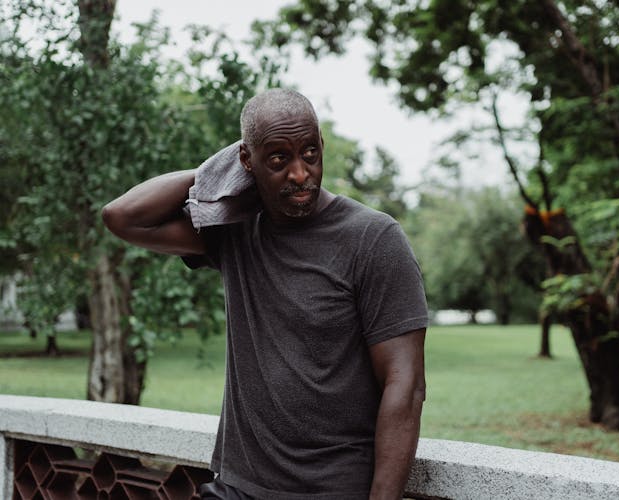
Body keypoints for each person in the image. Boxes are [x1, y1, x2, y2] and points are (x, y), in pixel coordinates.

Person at [102, 88, 429, 500]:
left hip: (329, 491)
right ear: (246, 161)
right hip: (237, 487)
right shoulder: (235, 231)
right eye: (278, 158)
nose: (300, 174)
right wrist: (219, 171)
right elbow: (123, 217)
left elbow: (406, 384)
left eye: (310, 153)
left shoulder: (374, 239)